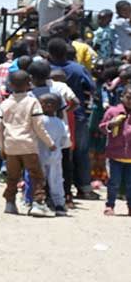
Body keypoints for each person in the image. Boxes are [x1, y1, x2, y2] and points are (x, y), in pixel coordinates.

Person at [0, 70, 55, 217]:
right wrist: (50, 142)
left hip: (10, 146)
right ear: (28, 84)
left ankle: (10, 203)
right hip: (28, 145)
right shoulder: (32, 102)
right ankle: (38, 204)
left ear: (10, 85)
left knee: (12, 177)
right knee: (36, 176)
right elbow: (38, 126)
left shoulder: (5, 103)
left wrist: (2, 146)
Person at [47, 38, 100, 200]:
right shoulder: (78, 69)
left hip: (49, 118)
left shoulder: (46, 69)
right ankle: (84, 188)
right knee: (80, 152)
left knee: (51, 152)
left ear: (49, 53)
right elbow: (92, 89)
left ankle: (53, 189)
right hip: (76, 116)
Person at [35, 94, 70, 216]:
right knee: (53, 180)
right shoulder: (60, 122)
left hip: (45, 156)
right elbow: (65, 141)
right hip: (51, 156)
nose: (48, 105)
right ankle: (55, 203)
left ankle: (57, 204)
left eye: (52, 103)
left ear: (57, 107)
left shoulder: (39, 120)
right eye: (45, 102)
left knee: (53, 181)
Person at [99, 90, 131, 216]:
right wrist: (111, 124)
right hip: (115, 155)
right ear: (122, 97)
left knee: (130, 184)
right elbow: (102, 127)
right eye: (128, 97)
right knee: (114, 183)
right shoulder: (113, 111)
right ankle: (110, 205)